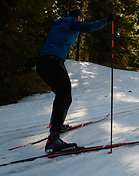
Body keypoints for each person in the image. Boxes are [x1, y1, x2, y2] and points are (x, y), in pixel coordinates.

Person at [36, 9, 115, 154]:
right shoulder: (72, 22)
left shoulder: (59, 23)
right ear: (78, 18)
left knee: (60, 95)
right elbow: (89, 27)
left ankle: (56, 126)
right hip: (54, 62)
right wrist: (107, 20)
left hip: (42, 63)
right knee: (65, 97)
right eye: (81, 19)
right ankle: (53, 140)